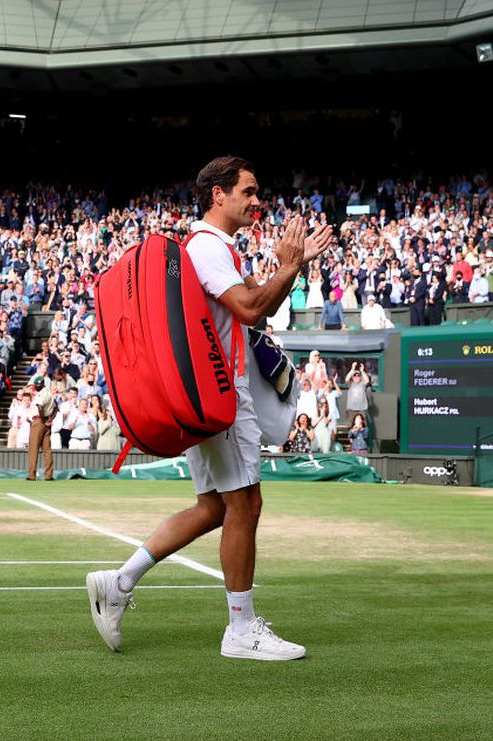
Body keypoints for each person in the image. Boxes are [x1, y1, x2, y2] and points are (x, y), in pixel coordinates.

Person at [85, 156, 333, 661]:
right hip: (220, 396)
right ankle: (240, 631)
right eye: (249, 190)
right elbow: (250, 308)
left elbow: (248, 308)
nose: (257, 200)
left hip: (205, 392)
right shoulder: (209, 247)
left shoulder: (204, 247)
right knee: (246, 505)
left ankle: (119, 581)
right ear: (218, 195)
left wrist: (291, 268)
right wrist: (289, 265)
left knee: (215, 507)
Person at [26, 377, 56, 480]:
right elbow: (56, 408)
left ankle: (31, 475)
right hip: (46, 423)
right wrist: (50, 419)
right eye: (36, 384)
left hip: (39, 421)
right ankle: (48, 475)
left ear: (43, 384)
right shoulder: (50, 394)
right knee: (47, 450)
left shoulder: (42, 394)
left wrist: (43, 420)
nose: (37, 385)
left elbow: (39, 407)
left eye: (39, 384)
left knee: (33, 449)